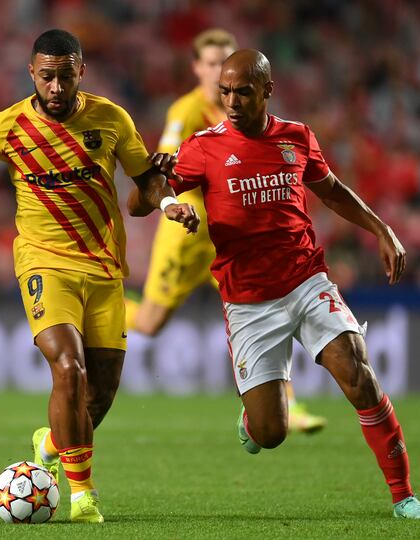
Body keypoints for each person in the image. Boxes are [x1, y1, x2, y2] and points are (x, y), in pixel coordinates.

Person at [129, 49, 420, 519]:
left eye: (243, 92)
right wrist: (157, 186)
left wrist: (381, 229)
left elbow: (332, 190)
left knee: (359, 375)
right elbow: (137, 203)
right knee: (272, 431)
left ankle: (405, 497)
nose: (232, 101)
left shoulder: (296, 137)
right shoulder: (202, 146)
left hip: (306, 279)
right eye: (226, 92)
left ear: (268, 91)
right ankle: (254, 424)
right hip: (249, 301)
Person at [0, 29, 198, 523]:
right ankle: (82, 495)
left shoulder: (111, 118)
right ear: (32, 73)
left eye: (64, 76)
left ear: (80, 73)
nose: (55, 86)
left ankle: (51, 442)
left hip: (104, 266)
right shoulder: (5, 128)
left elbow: (146, 181)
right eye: (46, 76)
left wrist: (171, 202)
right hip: (43, 262)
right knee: (68, 368)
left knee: (102, 391)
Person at [128, 28, 325, 433]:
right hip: (186, 234)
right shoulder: (186, 112)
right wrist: (170, 200)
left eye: (227, 60)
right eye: (214, 63)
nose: (222, 69)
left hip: (231, 235)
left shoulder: (241, 109)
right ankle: (104, 306)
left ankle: (285, 406)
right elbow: (163, 167)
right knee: (149, 324)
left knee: (271, 304)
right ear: (199, 68)